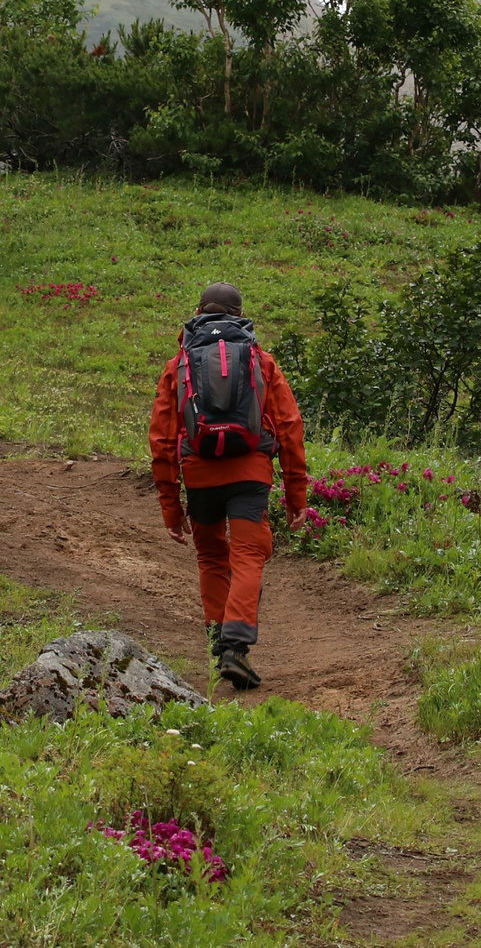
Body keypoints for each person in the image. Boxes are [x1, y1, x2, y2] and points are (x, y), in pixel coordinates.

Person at [148, 282, 309, 689]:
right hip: (250, 474)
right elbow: (290, 429)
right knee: (249, 553)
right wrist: (296, 496)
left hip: (199, 475)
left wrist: (171, 507)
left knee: (211, 557)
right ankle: (235, 648)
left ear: (198, 313)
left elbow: (163, 441)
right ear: (240, 315)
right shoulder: (261, 360)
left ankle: (220, 642)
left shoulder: (178, 365)